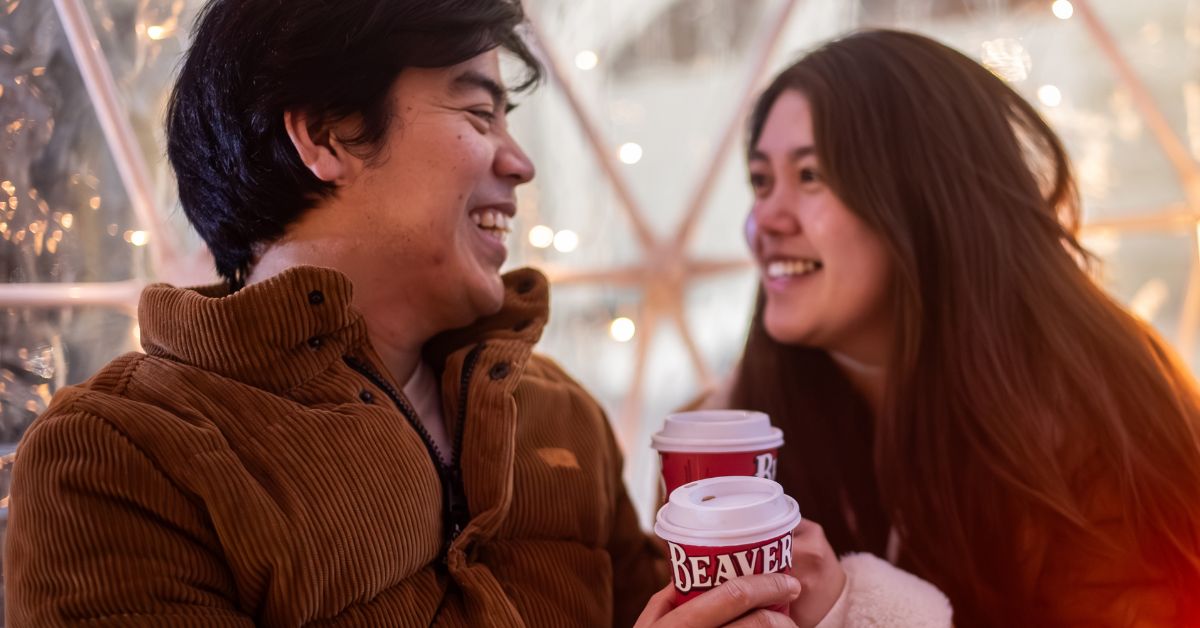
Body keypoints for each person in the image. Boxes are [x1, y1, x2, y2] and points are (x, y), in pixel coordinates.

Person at [3, 1, 810, 625]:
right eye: (477, 112)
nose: (519, 161)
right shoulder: (122, 461)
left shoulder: (558, 416)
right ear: (327, 133)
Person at [700, 28, 1200, 626]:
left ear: (924, 191)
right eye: (761, 181)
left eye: (810, 176)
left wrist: (849, 614)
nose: (764, 219)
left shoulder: (1100, 437)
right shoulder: (737, 431)